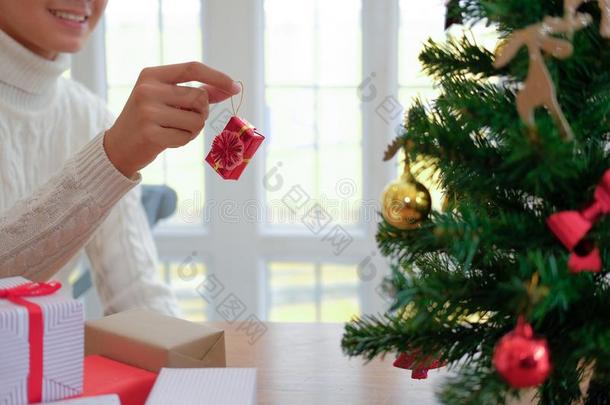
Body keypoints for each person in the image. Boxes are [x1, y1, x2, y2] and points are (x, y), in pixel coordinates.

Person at [0, 0, 241, 315]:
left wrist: (196, 359)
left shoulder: (89, 115)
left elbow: (138, 295)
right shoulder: (103, 132)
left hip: (48, 361)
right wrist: (110, 161)